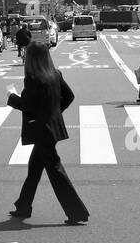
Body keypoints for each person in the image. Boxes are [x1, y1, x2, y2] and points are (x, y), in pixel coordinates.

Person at [6, 43, 88, 225]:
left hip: (41, 131)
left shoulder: (33, 79)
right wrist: (54, 114)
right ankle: (23, 206)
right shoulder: (55, 74)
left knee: (56, 171)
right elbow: (69, 96)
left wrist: (12, 97)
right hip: (52, 128)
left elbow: (27, 105)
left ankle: (77, 212)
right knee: (34, 168)